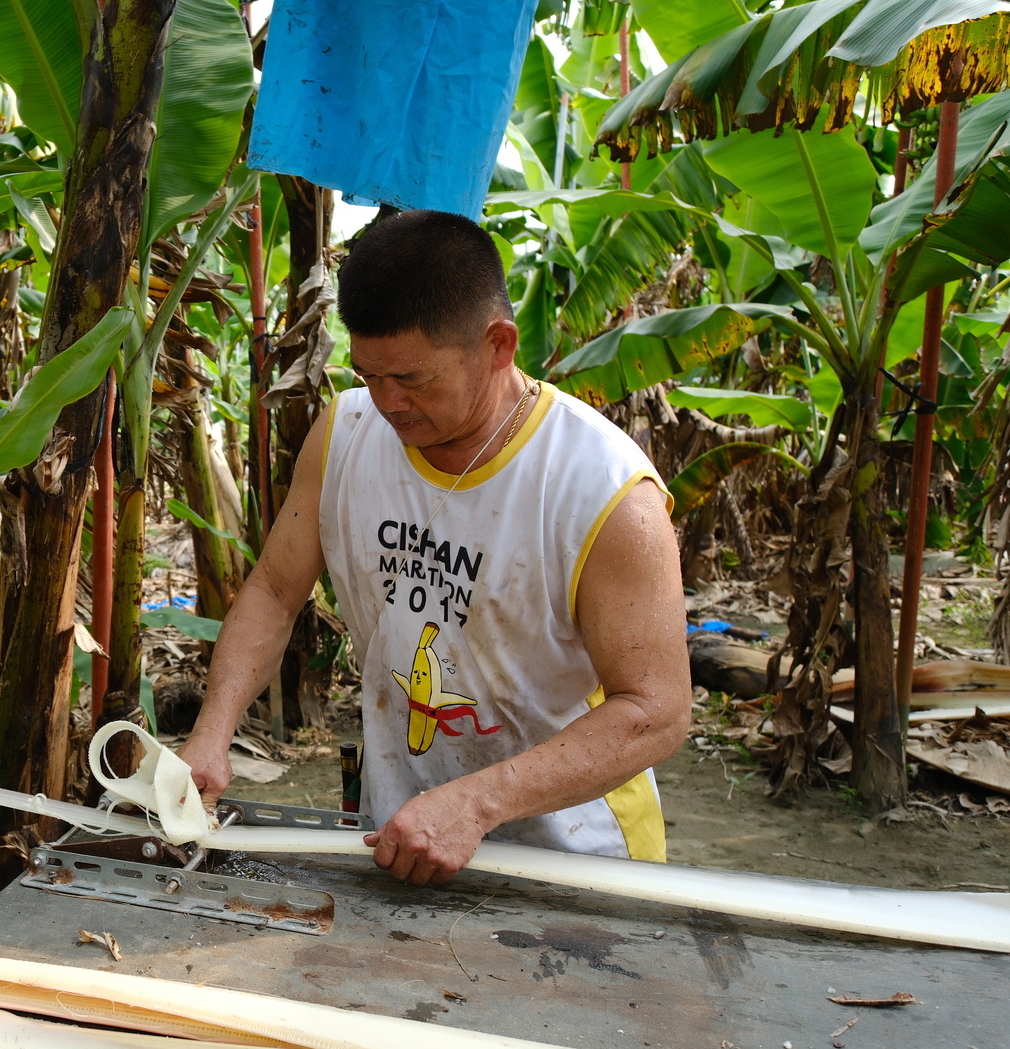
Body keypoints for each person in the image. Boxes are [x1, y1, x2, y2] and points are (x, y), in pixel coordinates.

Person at [184, 209, 690, 883]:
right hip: (402, 838)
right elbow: (276, 592)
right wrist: (212, 731)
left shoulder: (602, 489)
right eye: (369, 375)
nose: (387, 402)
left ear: (498, 345)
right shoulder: (344, 435)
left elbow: (656, 712)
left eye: (413, 379)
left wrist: (478, 802)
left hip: (577, 856)